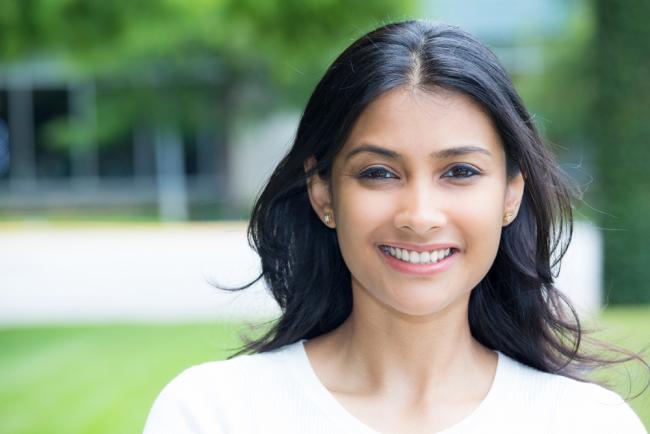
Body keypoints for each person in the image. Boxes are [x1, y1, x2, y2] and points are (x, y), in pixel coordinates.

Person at [143, 20, 648, 433]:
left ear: (510, 194)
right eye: (378, 173)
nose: (419, 216)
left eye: (460, 172)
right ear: (324, 194)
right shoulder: (212, 413)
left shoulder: (587, 423)